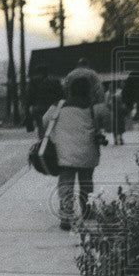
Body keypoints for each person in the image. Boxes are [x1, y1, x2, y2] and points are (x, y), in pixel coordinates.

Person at [42, 75, 111, 231]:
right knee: (86, 182)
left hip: (64, 153)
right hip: (88, 153)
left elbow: (45, 120)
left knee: (66, 183)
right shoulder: (95, 106)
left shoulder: (58, 106)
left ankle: (66, 214)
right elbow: (107, 119)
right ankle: (86, 210)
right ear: (89, 90)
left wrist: (58, 132)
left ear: (69, 90)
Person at [28, 68, 64, 139]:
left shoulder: (33, 81)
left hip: (39, 107)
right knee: (54, 126)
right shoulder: (55, 81)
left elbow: (30, 94)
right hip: (53, 107)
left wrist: (30, 105)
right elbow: (61, 94)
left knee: (41, 126)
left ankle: (42, 142)